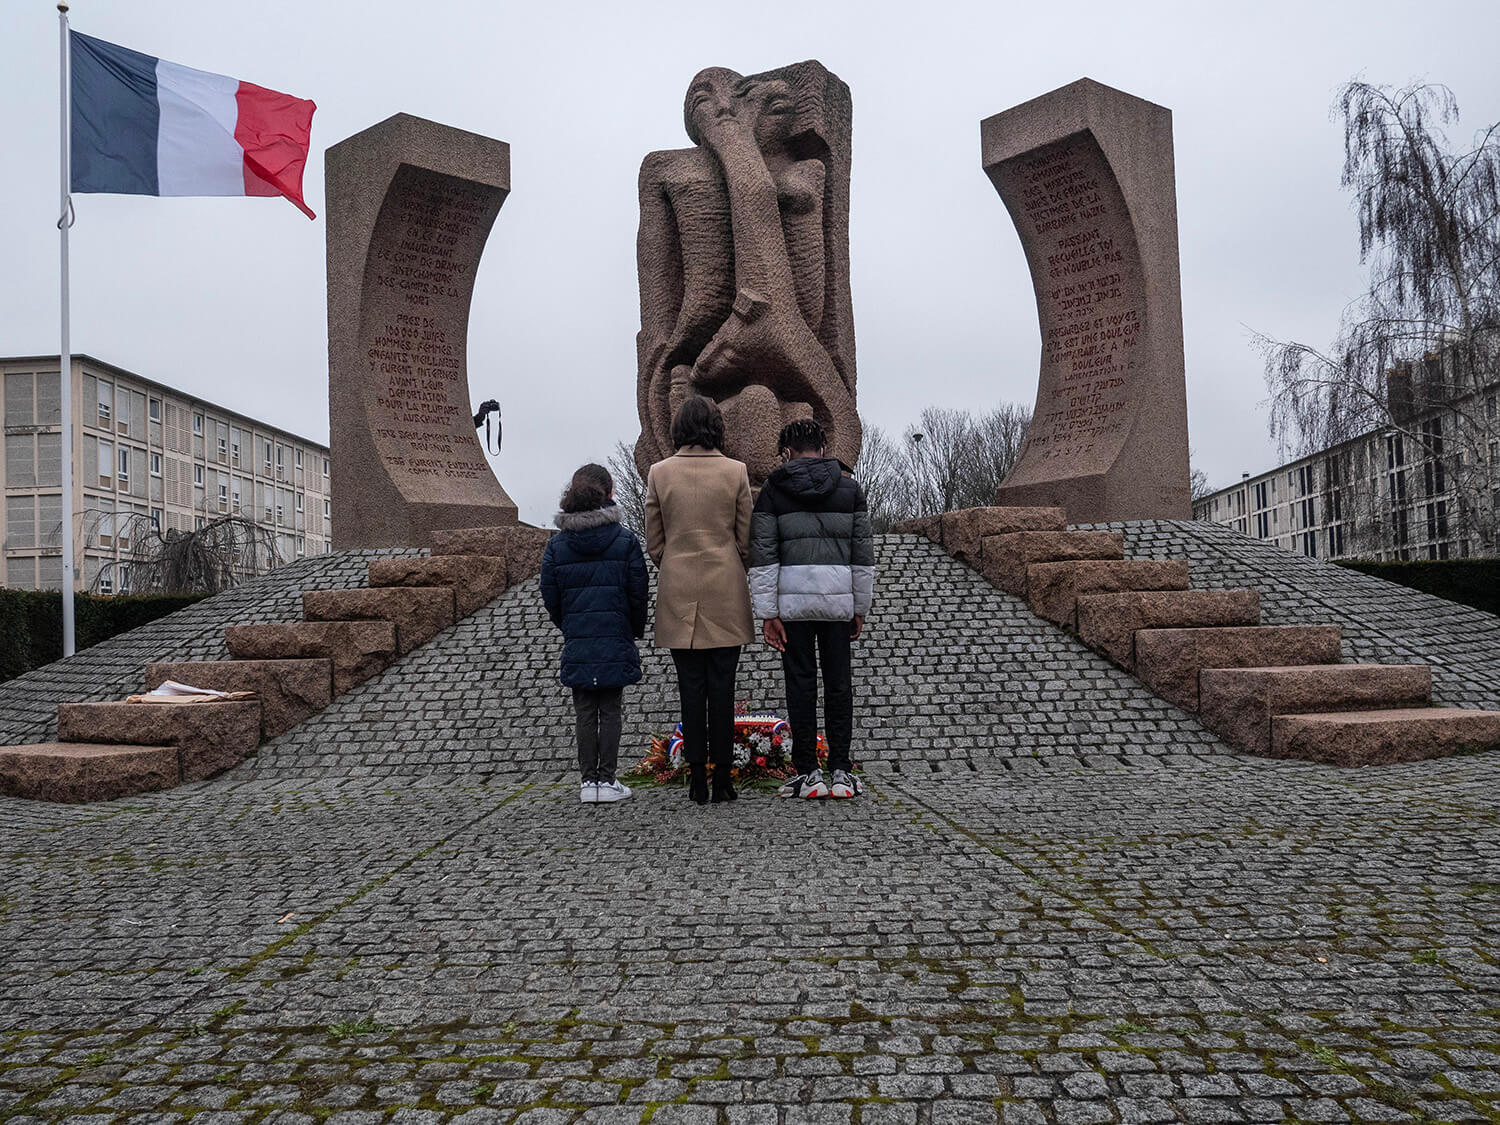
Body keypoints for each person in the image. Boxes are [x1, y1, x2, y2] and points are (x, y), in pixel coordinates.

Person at [748, 418, 874, 799]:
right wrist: (860, 606)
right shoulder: (850, 489)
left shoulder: (773, 490)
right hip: (838, 600)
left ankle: (808, 774)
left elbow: (764, 555)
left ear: (787, 451)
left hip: (793, 605)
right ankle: (840, 771)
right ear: (823, 447)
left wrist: (768, 612)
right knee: (839, 685)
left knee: (800, 684)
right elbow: (862, 556)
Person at [645, 396, 755, 805]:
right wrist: (731, 563)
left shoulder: (659, 473)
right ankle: (724, 779)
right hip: (725, 586)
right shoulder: (735, 472)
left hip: (678, 588)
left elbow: (654, 540)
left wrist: (673, 563)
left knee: (689, 689)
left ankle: (695, 780)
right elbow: (746, 539)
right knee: (723, 690)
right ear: (715, 426)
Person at [540, 463, 649, 804]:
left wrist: (570, 625)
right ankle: (608, 779)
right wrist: (631, 628)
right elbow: (638, 591)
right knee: (611, 709)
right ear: (610, 492)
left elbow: (550, 596)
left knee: (585, 709)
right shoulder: (626, 540)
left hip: (579, 636)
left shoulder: (557, 547)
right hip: (615, 632)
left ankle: (589, 782)